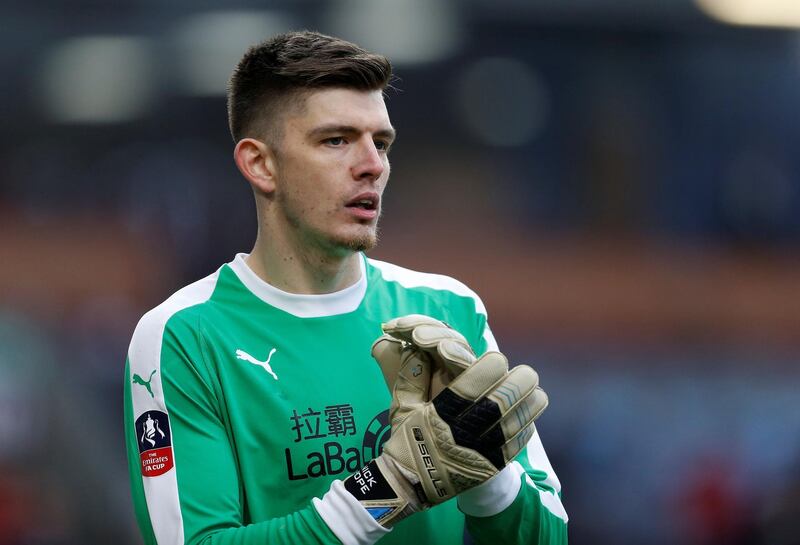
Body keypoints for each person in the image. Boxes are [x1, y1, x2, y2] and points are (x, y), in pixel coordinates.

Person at [123, 30, 568, 545]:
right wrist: (390, 484)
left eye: (380, 142)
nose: (372, 165)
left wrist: (484, 470)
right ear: (260, 164)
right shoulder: (183, 334)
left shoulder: (449, 308)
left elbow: (547, 537)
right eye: (336, 140)